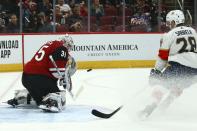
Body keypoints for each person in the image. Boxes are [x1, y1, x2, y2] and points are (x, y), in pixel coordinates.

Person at [139, 10, 197, 118]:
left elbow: (163, 56)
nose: (169, 25)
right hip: (195, 70)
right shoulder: (193, 31)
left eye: (170, 22)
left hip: (179, 66)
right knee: (178, 87)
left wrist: (156, 71)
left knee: (160, 85)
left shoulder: (169, 34)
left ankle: (149, 108)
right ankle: (164, 106)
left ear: (175, 21)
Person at [7, 34, 77, 113]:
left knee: (41, 101)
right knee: (60, 96)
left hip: (26, 78)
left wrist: (62, 77)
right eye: (69, 46)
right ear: (66, 43)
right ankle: (51, 102)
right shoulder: (62, 47)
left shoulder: (51, 44)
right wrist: (63, 77)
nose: (68, 49)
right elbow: (55, 71)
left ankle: (26, 97)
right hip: (40, 79)